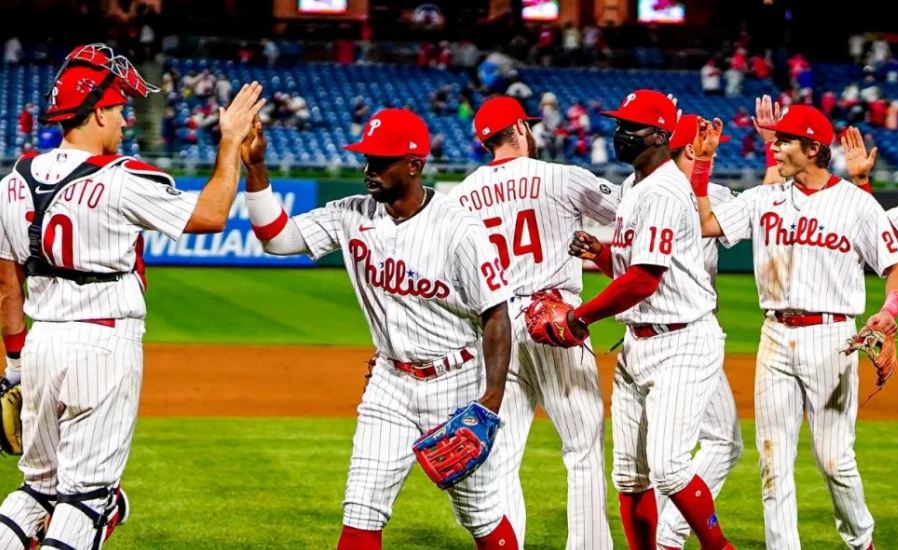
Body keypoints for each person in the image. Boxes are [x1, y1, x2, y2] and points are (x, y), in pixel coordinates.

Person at [0, 43, 264, 549]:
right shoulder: (121, 178)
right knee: (89, 499)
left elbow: (8, 287)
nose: (125, 120)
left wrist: (14, 367)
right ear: (97, 111)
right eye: (119, 108)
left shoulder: (13, 182)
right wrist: (230, 140)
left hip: (39, 347)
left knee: (37, 491)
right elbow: (212, 214)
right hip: (102, 344)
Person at [239, 108, 519, 550]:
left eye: (382, 160)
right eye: (367, 158)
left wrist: (490, 402)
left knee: (481, 514)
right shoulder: (350, 214)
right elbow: (277, 238)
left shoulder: (459, 229)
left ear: (414, 165)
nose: (369, 168)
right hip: (389, 382)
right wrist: (256, 166)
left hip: (456, 381)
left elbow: (497, 316)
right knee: (361, 510)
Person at [691, 106, 898, 550]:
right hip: (774, 336)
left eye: (785, 140)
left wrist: (890, 309)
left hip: (833, 339)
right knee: (773, 462)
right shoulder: (762, 198)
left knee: (835, 460)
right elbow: (705, 223)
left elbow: (896, 267)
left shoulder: (856, 204)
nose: (774, 146)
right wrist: (703, 165)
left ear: (812, 148)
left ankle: (861, 541)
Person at [552, 90, 736, 550]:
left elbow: (644, 280)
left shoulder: (664, 190)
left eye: (630, 127)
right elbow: (633, 268)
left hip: (681, 341)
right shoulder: (636, 188)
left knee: (670, 468)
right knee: (630, 477)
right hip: (639, 341)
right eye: (618, 124)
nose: (620, 133)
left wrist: (580, 317)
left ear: (659, 135)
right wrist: (602, 253)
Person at [449, 96, 619, 550]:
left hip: (494, 327)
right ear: (521, 130)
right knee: (582, 448)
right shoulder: (561, 176)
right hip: (554, 320)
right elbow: (630, 214)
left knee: (501, 455)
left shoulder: (460, 196)